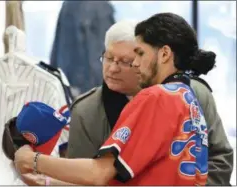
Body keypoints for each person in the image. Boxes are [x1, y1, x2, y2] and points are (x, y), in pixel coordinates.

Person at [14, 13, 218, 185]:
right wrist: (48, 182)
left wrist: (33, 159)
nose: (136, 64)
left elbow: (99, 173)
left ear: (164, 54)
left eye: (139, 54)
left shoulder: (155, 97)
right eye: (109, 58)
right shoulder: (187, 96)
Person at [66, 19, 233, 185]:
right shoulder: (86, 110)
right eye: (108, 58)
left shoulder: (187, 94)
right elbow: (82, 179)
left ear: (163, 55)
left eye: (128, 61)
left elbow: (220, 158)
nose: (112, 68)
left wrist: (39, 161)